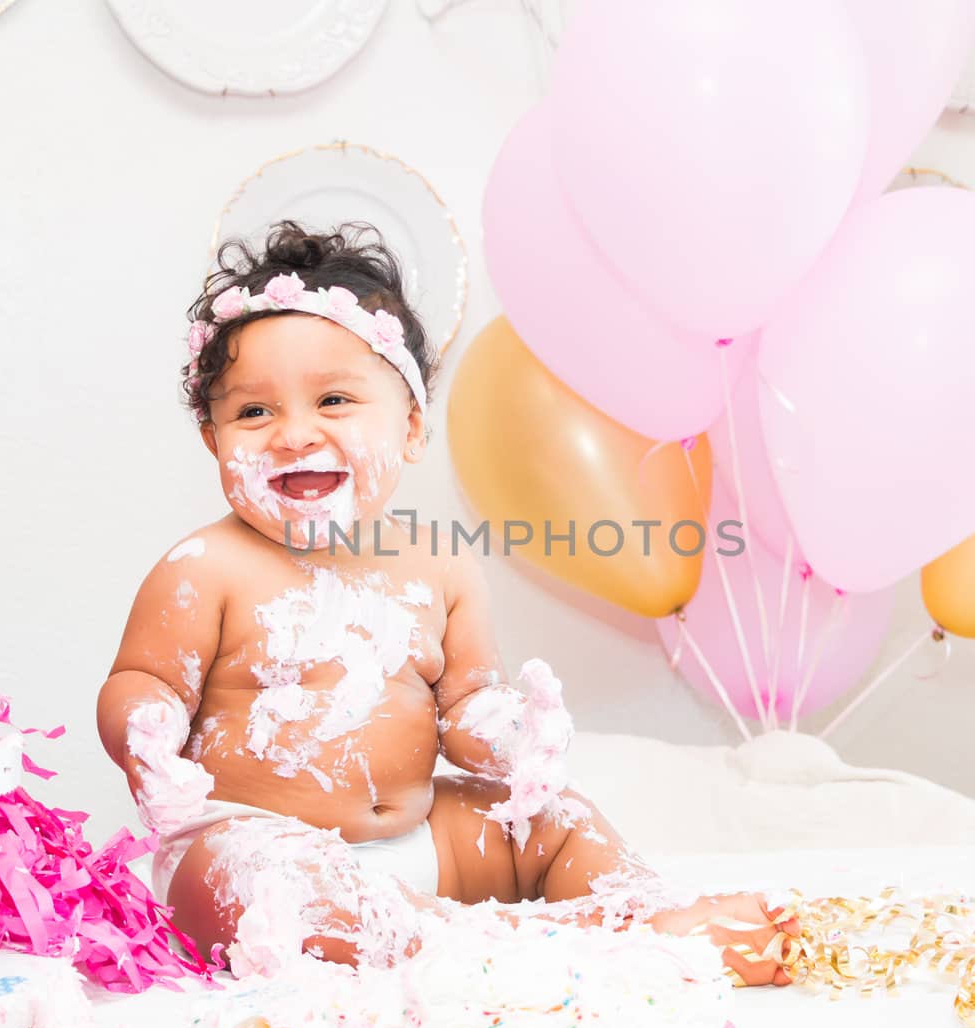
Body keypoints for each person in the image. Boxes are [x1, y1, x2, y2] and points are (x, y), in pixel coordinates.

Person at [96, 221, 795, 984]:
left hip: (423, 838)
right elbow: (143, 679)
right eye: (254, 413)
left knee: (552, 817)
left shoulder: (436, 563)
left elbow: (461, 701)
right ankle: (543, 945)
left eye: (333, 400)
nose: (294, 434)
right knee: (258, 886)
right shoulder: (206, 567)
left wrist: (504, 732)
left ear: (411, 428)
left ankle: (635, 910)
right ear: (213, 438)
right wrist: (146, 728)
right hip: (258, 844)